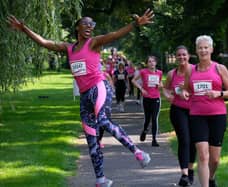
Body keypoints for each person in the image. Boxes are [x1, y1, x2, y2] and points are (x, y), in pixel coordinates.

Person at [7, 9, 154, 187]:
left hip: (99, 88)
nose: (89, 27)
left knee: (103, 121)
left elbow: (114, 35)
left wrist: (134, 24)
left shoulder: (93, 43)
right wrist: (24, 29)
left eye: (92, 24)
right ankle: (100, 179)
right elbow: (45, 43)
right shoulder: (68, 48)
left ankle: (138, 152)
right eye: (85, 23)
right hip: (85, 96)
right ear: (77, 27)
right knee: (91, 136)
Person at [181, 35, 228, 187]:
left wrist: (219, 93)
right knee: (203, 155)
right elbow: (185, 90)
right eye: (200, 48)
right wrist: (184, 93)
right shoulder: (190, 71)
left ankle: (211, 178)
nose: (203, 50)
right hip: (197, 116)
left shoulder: (219, 68)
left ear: (211, 49)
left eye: (206, 47)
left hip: (217, 116)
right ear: (196, 51)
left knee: (214, 159)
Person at [162, 45, 196, 186]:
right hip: (178, 110)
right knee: (184, 140)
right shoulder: (172, 74)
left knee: (193, 141)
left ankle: (190, 169)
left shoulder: (195, 70)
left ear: (188, 56)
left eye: (184, 55)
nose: (181, 57)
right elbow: (165, 88)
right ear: (176, 58)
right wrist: (168, 95)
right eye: (179, 55)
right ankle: (184, 175)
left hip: (195, 110)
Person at [132, 56, 163, 147]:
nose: (151, 63)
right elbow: (133, 80)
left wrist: (160, 85)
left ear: (156, 63)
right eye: (149, 61)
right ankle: (145, 130)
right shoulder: (143, 72)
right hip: (146, 98)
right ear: (147, 64)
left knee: (154, 118)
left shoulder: (159, 73)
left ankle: (154, 139)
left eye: (153, 61)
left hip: (156, 98)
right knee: (147, 119)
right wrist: (141, 89)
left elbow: (161, 84)